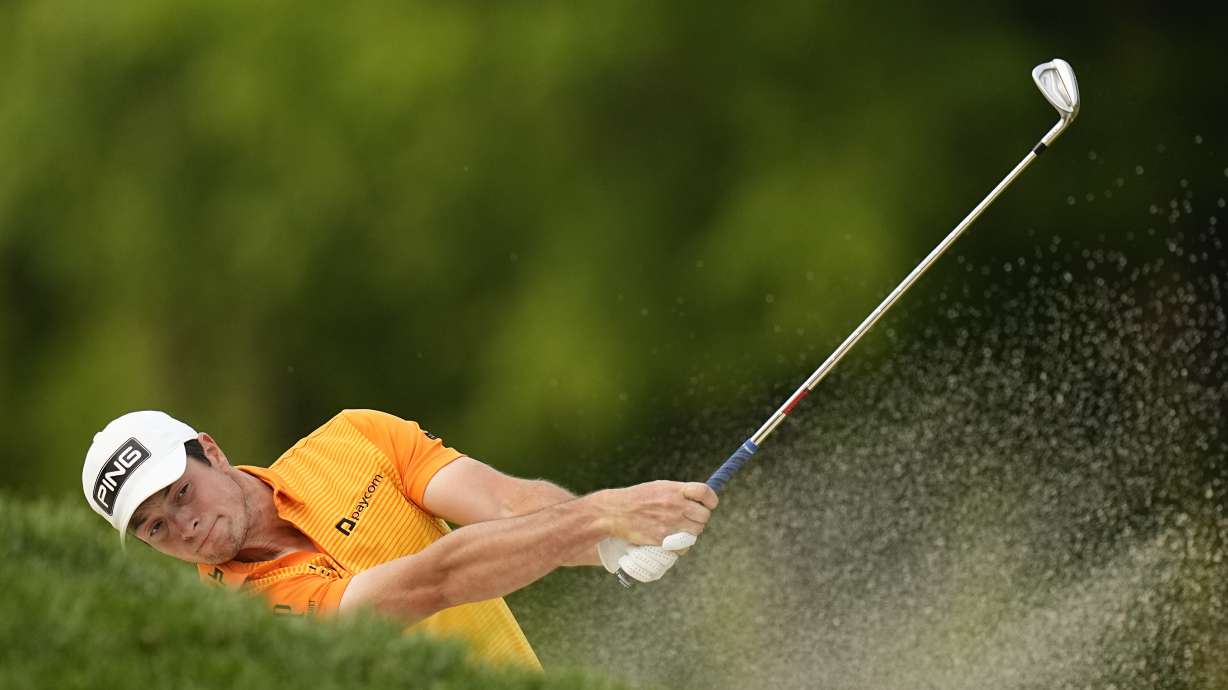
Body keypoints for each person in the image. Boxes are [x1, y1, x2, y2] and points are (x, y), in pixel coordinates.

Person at [82, 409, 717, 669]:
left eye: (181, 493)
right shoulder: (239, 621)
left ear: (212, 452)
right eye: (155, 527)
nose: (184, 526)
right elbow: (433, 581)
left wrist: (610, 543)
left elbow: (505, 505)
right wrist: (598, 518)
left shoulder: (352, 440)